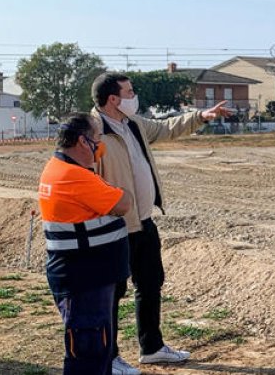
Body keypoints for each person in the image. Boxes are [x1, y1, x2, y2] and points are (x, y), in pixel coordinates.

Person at [90, 72, 232, 371]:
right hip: (114, 226)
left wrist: (202, 116)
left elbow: (167, 128)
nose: (134, 96)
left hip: (143, 222)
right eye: (129, 92)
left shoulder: (133, 124)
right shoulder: (93, 131)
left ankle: (152, 347)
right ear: (113, 99)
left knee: (151, 284)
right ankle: (109, 357)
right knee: (112, 294)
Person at [39, 113, 133, 375]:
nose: (101, 145)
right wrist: (114, 189)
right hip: (85, 279)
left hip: (83, 276)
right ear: (83, 141)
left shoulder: (61, 168)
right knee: (88, 353)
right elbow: (123, 203)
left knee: (93, 350)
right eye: (98, 138)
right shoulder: (73, 176)